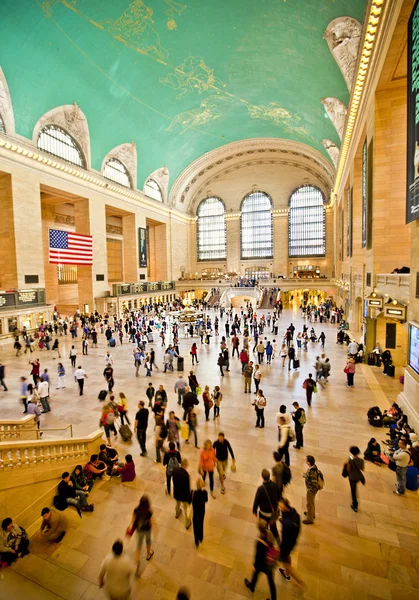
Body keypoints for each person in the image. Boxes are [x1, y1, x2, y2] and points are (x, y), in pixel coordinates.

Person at [244, 521, 277, 600]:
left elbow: (258, 555)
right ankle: (274, 598)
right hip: (269, 562)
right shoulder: (270, 534)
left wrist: (254, 565)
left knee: (255, 574)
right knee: (271, 581)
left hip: (261, 564)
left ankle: (252, 586)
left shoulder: (260, 541)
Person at [277, 498, 304, 588]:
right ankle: (286, 573)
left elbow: (285, 536)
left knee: (285, 563)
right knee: (287, 557)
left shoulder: (287, 523)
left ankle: (299, 581)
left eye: (280, 506)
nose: (279, 507)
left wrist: (282, 521)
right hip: (291, 543)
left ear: (285, 506)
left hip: (286, 544)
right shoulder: (293, 512)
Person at [252, 469, 280, 546]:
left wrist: (254, 511)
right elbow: (279, 497)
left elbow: (256, 501)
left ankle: (266, 544)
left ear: (262, 477)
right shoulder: (275, 485)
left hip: (263, 514)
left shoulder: (260, 489)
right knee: (274, 528)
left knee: (264, 529)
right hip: (273, 513)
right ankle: (278, 542)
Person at [129, 495, 154, 575]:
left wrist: (131, 526)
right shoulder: (149, 512)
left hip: (139, 530)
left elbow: (133, 520)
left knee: (139, 546)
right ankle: (148, 555)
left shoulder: (136, 510)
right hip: (147, 530)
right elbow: (151, 522)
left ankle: (137, 562)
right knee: (148, 541)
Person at [344, 446, 365, 512]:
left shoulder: (350, 460)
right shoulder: (361, 460)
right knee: (354, 488)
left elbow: (349, 469)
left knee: (353, 491)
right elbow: (362, 469)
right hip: (358, 476)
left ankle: (355, 505)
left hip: (352, 477)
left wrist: (346, 464)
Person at [302, 455, 322, 525]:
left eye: (306, 460)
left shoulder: (312, 471)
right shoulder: (313, 467)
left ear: (309, 462)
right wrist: (305, 475)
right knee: (312, 502)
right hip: (312, 490)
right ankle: (311, 514)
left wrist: (311, 490)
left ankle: (310, 519)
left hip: (311, 490)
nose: (305, 461)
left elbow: (315, 483)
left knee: (309, 504)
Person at [173, 458, 192, 529]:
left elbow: (173, 480)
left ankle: (177, 513)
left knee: (177, 504)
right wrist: (189, 497)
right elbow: (187, 488)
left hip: (177, 492)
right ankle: (187, 523)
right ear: (186, 465)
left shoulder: (175, 470)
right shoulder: (186, 475)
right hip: (184, 495)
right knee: (186, 509)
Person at [191, 476, 208, 547]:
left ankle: (196, 541)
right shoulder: (204, 493)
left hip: (195, 512)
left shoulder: (193, 493)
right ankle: (201, 537)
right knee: (201, 524)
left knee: (195, 526)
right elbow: (206, 500)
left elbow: (189, 501)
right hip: (201, 511)